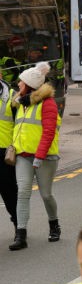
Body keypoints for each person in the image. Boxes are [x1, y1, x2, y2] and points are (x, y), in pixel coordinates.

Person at [9, 62, 61, 251]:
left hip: (45, 158)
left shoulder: (48, 104)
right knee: (22, 192)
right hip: (23, 156)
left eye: (21, 83)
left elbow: (48, 132)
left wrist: (39, 157)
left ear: (29, 85)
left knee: (46, 194)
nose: (18, 85)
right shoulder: (21, 103)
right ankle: (21, 235)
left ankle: (54, 224)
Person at [0, 79, 18, 236]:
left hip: (5, 152)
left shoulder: (12, 96)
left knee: (8, 190)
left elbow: (20, 123)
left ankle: (18, 223)